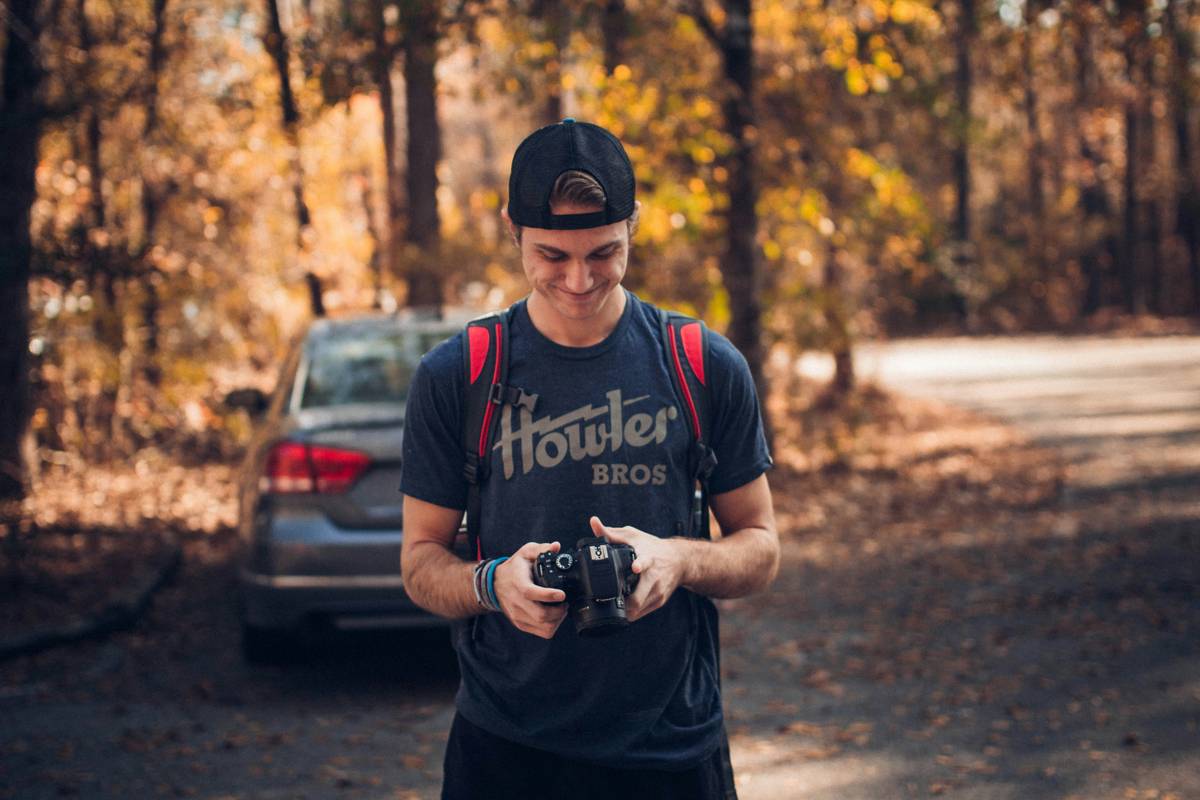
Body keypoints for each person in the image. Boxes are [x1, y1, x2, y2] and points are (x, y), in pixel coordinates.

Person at [399, 118, 779, 800]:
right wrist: (493, 584)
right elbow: (420, 562)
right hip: (507, 749)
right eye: (551, 256)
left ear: (633, 226)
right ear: (513, 233)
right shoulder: (458, 375)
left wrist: (680, 559)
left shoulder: (701, 364)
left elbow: (761, 547)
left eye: (603, 253)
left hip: (671, 748)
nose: (578, 280)